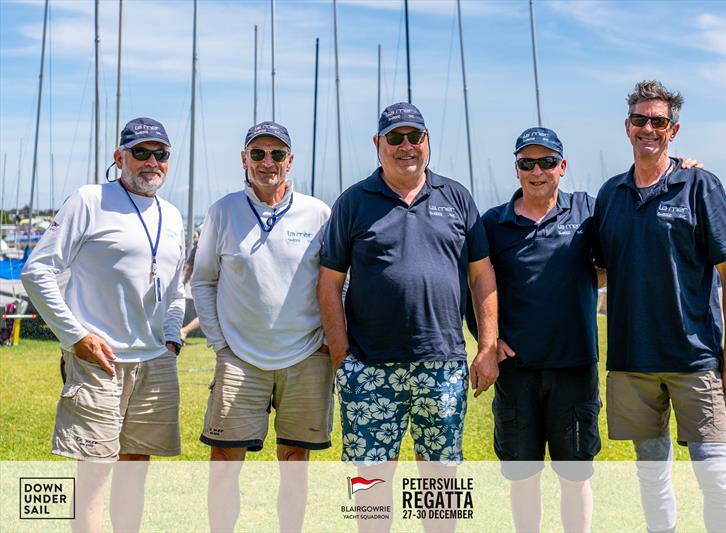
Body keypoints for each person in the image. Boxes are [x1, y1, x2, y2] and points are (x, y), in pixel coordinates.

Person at [318, 102, 498, 530]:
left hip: (441, 364)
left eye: (414, 136)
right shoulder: (353, 202)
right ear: (377, 144)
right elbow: (328, 283)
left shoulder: (455, 197)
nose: (406, 146)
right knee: (370, 487)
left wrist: (488, 344)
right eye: (394, 137)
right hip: (370, 366)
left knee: (440, 487)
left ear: (427, 142)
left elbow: (481, 275)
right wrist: (342, 356)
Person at [593, 80, 726, 533]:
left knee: (714, 475)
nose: (648, 128)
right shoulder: (610, 195)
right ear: (627, 127)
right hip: (633, 361)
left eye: (658, 121)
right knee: (651, 475)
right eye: (640, 119)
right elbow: (600, 271)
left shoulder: (698, 185)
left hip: (695, 357)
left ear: (673, 130)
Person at [21, 117, 185, 532]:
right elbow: (37, 271)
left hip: (154, 363)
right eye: (141, 152)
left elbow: (174, 291)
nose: (152, 162)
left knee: (135, 471)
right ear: (119, 157)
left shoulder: (173, 215)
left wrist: (171, 339)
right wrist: (75, 336)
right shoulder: (89, 199)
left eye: (160, 154)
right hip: (100, 363)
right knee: (94, 476)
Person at [191, 121, 333, 532]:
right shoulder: (223, 211)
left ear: (290, 161)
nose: (267, 162)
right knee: (223, 461)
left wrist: (327, 335)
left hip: (306, 357)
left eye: (276, 154)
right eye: (258, 153)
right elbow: (202, 280)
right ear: (244, 159)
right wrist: (220, 343)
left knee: (294, 461)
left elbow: (337, 283)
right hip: (240, 358)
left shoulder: (318, 212)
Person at [477, 127, 602, 533]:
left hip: (575, 368)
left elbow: (639, 212)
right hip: (518, 373)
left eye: (547, 162)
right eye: (527, 163)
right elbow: (474, 285)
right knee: (522, 477)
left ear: (562, 167)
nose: (537, 171)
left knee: (575, 476)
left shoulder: (587, 211)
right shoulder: (493, 223)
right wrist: (490, 342)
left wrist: (683, 170)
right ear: (516, 169)